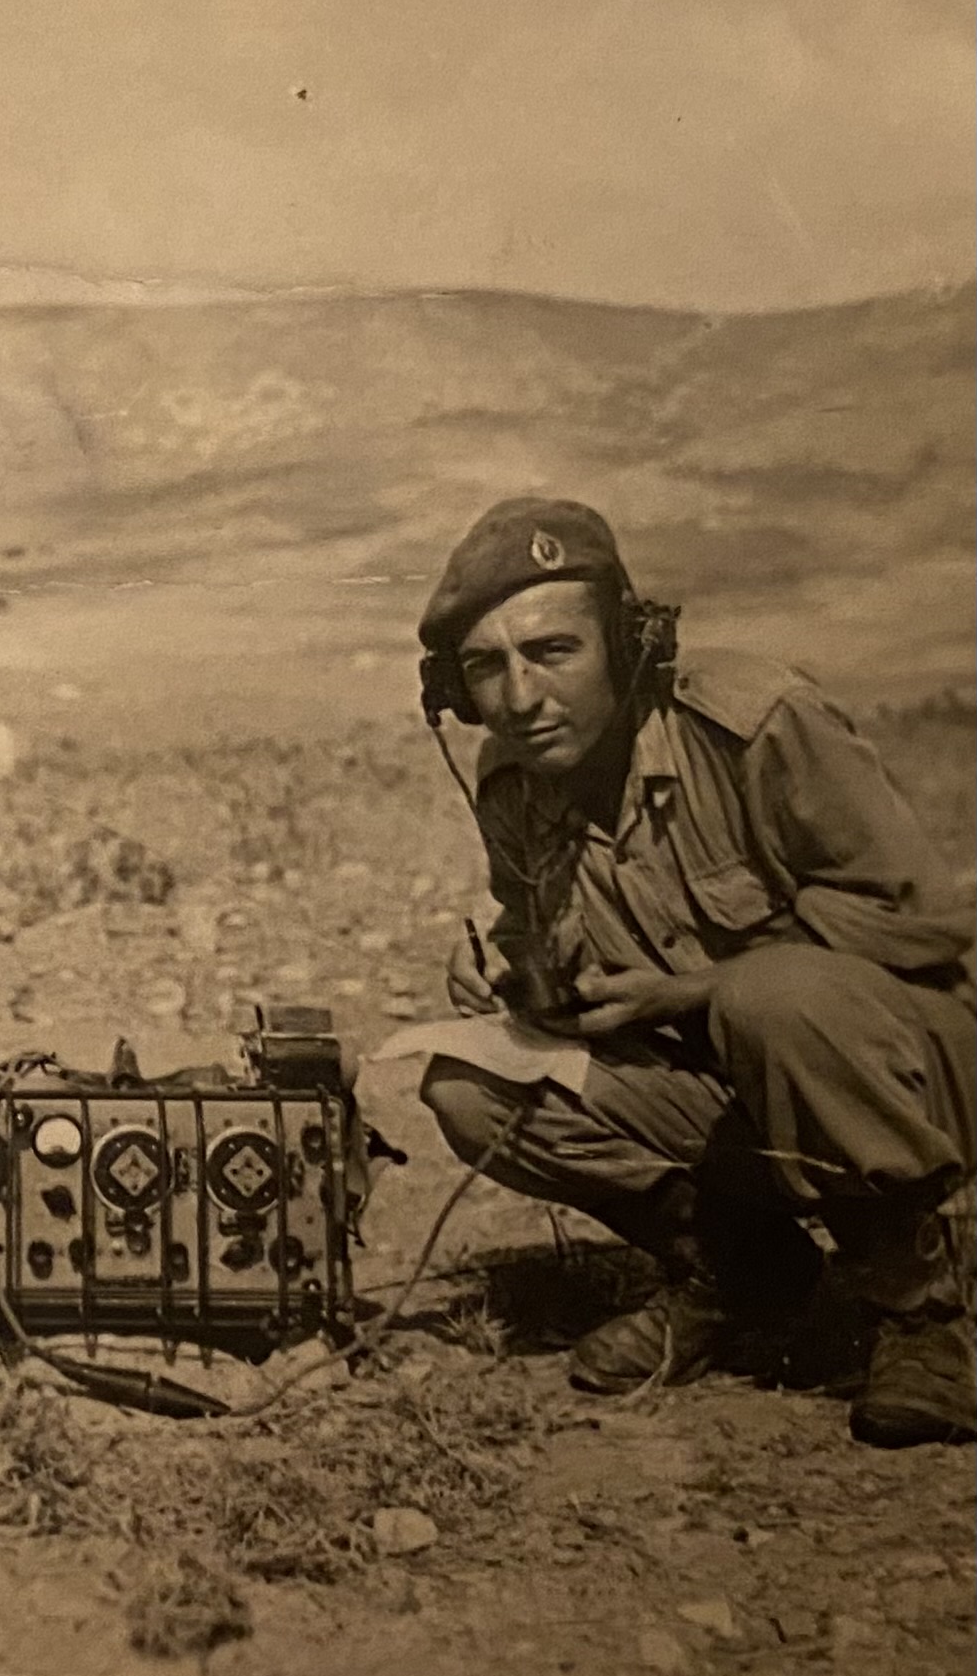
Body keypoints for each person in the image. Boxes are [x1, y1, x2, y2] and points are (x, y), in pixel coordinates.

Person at [414, 496, 974, 1448]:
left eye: (552, 651)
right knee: (468, 1087)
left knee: (774, 996)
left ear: (631, 642)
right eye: (485, 668)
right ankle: (742, 1272)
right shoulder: (512, 780)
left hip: (905, 1073)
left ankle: (923, 1314)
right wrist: (512, 979)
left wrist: (702, 988)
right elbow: (542, 930)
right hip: (728, 1090)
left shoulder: (754, 723)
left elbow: (917, 921)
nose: (518, 697)